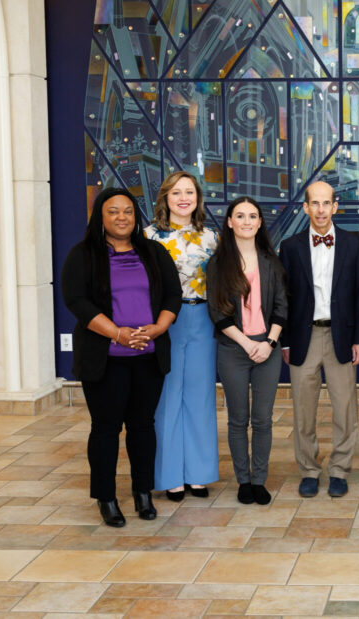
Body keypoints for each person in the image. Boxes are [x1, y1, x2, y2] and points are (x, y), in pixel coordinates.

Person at [61, 187, 182, 527]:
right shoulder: (83, 254)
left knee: (143, 427)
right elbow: (77, 302)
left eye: (127, 211)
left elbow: (173, 294)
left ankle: (143, 493)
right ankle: (107, 498)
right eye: (113, 211)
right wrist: (117, 333)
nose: (121, 217)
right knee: (105, 429)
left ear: (136, 215)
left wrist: (158, 328)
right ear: (100, 216)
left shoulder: (154, 252)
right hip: (105, 359)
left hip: (148, 355)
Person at [280, 181, 359, 499]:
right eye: (313, 204)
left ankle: (340, 470)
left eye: (325, 203)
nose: (320, 210)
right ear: (305, 208)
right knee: (304, 409)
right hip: (304, 336)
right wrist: (286, 341)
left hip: (341, 336)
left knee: (345, 408)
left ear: (335, 206)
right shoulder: (290, 247)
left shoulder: (353, 244)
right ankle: (309, 470)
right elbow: (284, 299)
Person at [207, 197, 287, 506]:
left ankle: (259, 480)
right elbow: (217, 312)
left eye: (252, 216)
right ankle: (243, 481)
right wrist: (247, 344)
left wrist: (267, 344)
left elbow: (282, 308)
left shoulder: (271, 261)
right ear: (229, 222)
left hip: (268, 350)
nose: (246, 221)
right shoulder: (218, 264)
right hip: (234, 350)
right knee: (238, 420)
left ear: (259, 222)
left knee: (263, 419)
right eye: (239, 216)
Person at [145, 171, 219, 502]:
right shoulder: (147, 237)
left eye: (189, 192)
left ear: (198, 199)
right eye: (177, 192)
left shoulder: (211, 238)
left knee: (200, 397)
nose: (184, 198)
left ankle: (199, 475)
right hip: (165, 321)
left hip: (203, 319)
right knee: (168, 397)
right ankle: (170, 476)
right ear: (165, 198)